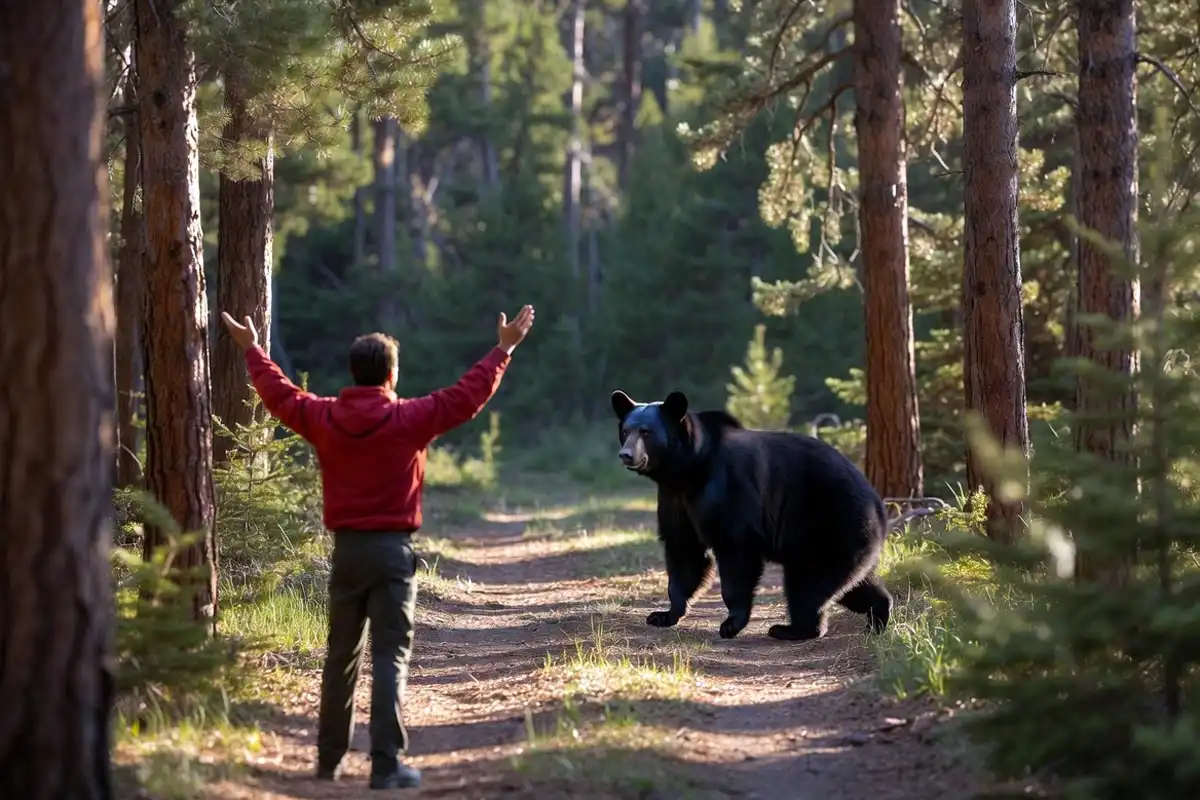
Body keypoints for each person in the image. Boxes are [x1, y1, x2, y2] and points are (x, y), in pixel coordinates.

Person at [219, 305, 536, 790]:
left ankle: (328, 763)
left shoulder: (324, 416)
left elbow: (280, 396)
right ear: (391, 375)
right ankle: (386, 766)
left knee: (340, 655)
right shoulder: (409, 418)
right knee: (389, 656)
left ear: (355, 371)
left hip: (346, 554)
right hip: (392, 554)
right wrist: (504, 348)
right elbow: (466, 396)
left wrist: (251, 349)